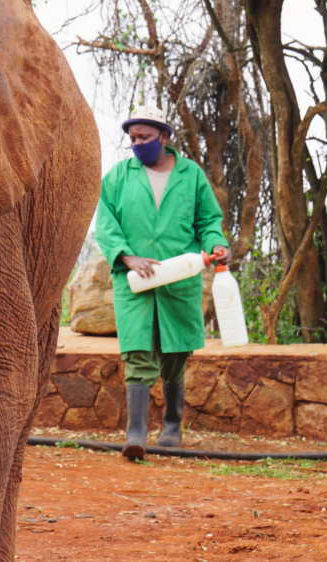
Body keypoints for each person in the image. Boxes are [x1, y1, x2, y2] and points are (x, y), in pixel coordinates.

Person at [94, 105, 230, 461]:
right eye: (133, 138)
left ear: (164, 137)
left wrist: (217, 243)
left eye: (144, 137)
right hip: (134, 281)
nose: (137, 144)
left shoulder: (191, 176)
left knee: (174, 354)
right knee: (138, 352)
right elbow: (106, 224)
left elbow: (208, 220)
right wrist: (127, 256)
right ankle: (136, 433)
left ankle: (172, 426)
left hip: (178, 282)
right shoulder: (118, 178)